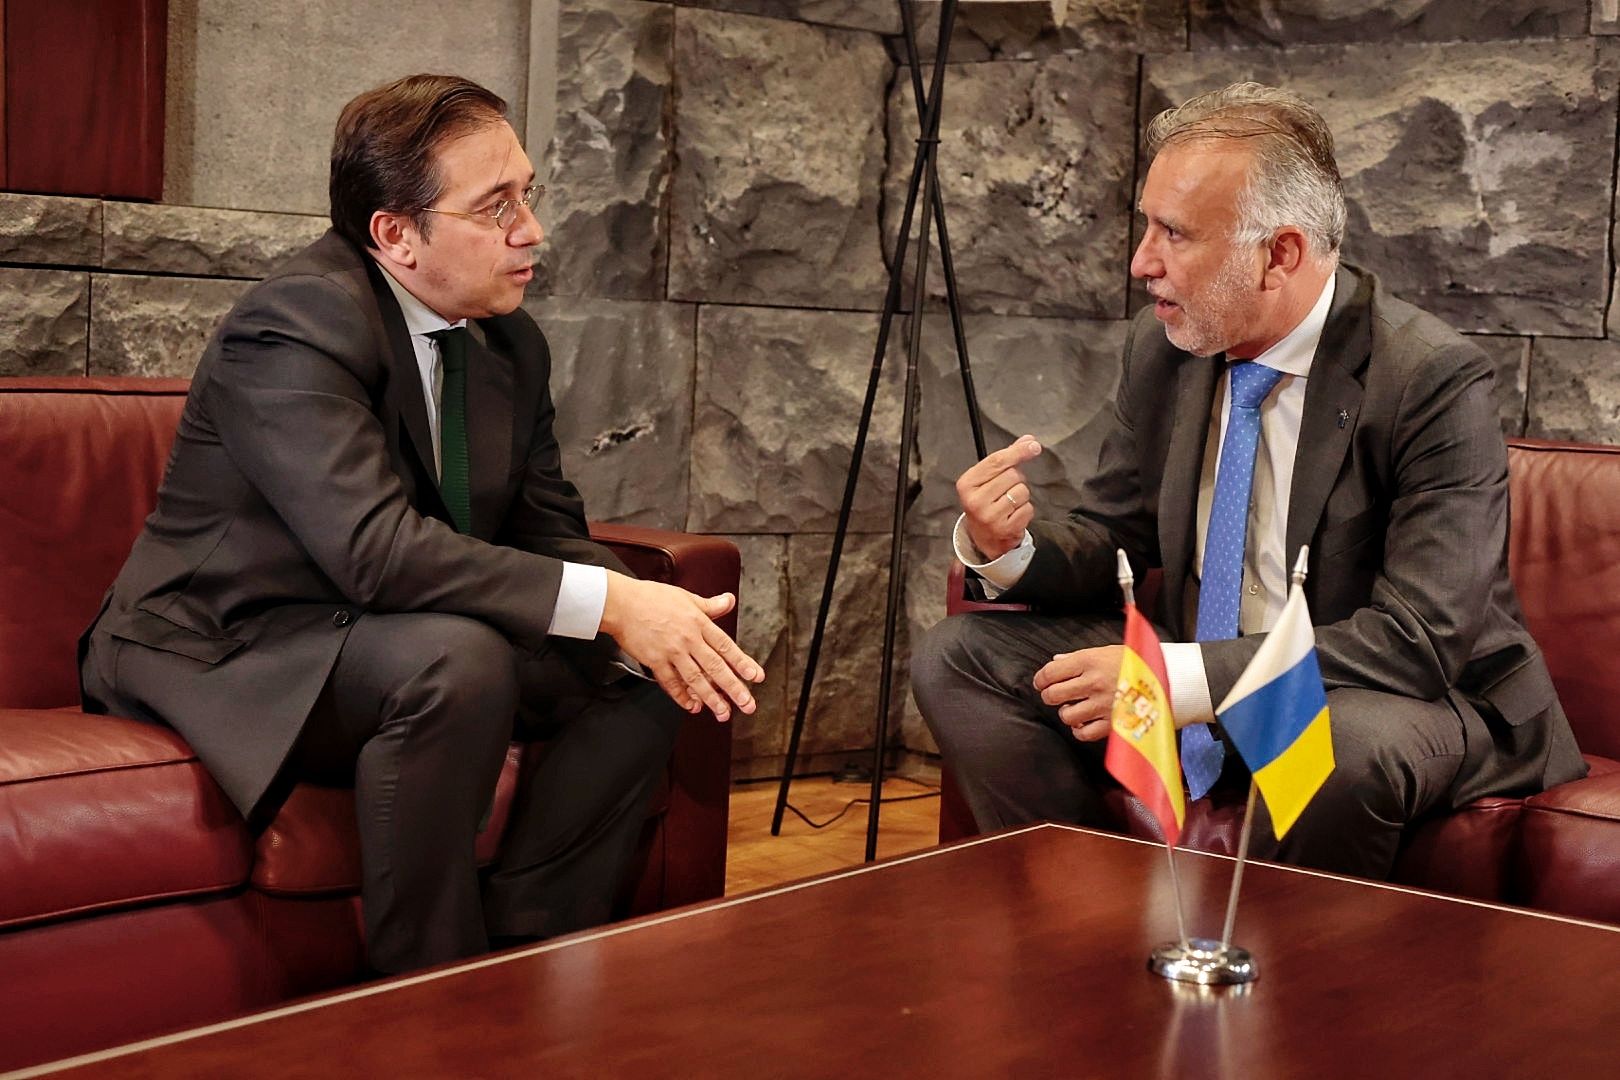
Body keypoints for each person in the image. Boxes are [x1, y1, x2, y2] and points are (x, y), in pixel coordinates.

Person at [79, 74, 764, 974]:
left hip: (381, 623)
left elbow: (544, 528)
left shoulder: (508, 338)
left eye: (529, 193)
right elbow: (374, 551)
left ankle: (526, 946)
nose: (532, 231)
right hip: (232, 636)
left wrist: (637, 609)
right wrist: (600, 600)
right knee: (460, 659)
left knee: (666, 651)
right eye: (496, 207)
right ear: (395, 235)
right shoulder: (294, 321)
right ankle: (424, 995)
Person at [910, 82, 1585, 879]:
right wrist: (1010, 551)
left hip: (1395, 692)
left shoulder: (1428, 378)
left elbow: (1419, 640)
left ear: (1280, 254)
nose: (1141, 263)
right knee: (960, 656)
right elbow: (1116, 538)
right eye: (1145, 224)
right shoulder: (1164, 346)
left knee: (1337, 744)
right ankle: (1084, 926)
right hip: (1210, 659)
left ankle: (1285, 990)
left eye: (1174, 233)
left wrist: (1182, 677)